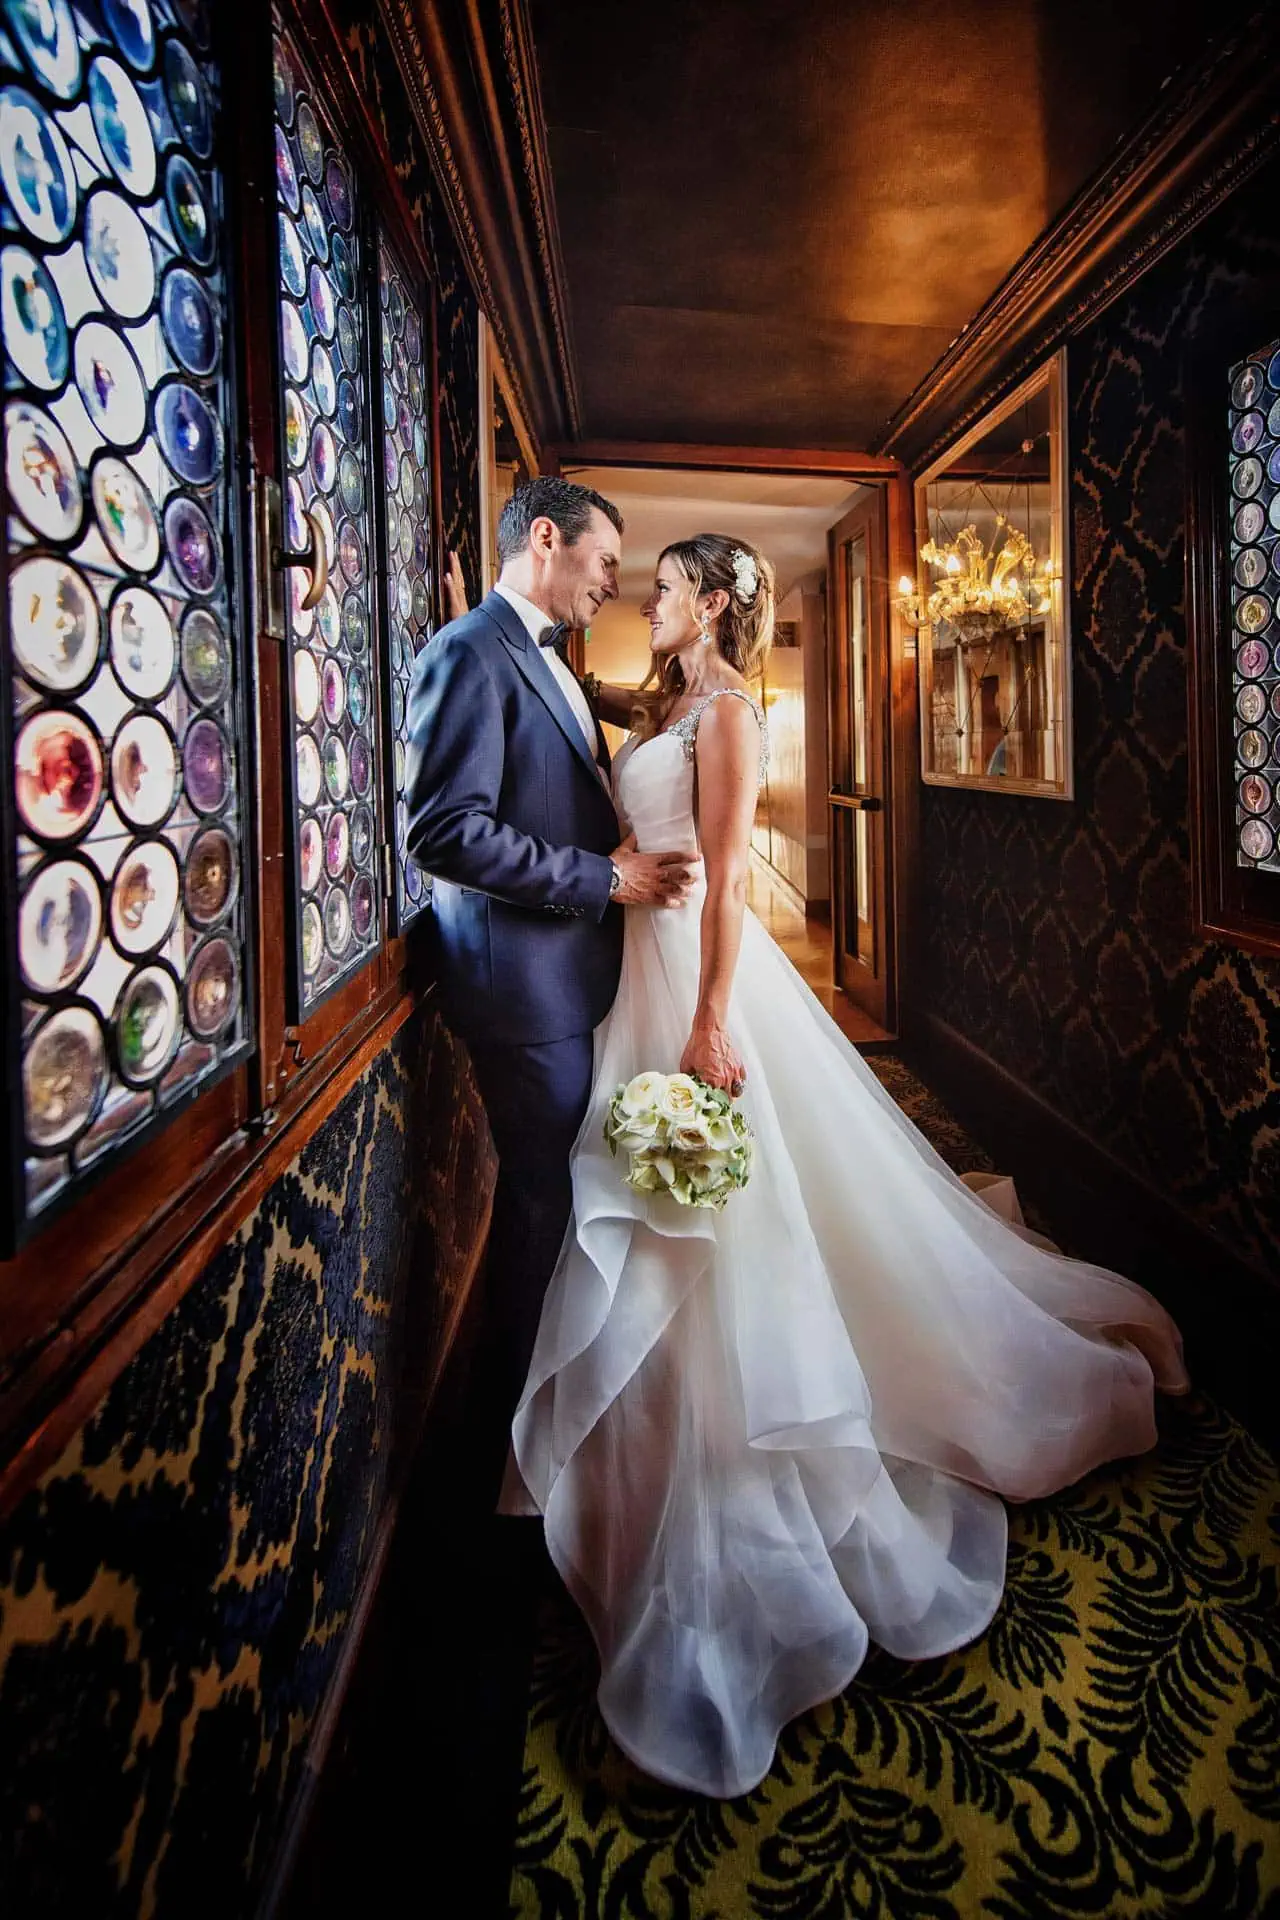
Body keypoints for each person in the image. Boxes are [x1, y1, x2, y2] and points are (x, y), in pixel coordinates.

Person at [501, 531, 1189, 1799]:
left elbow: (716, 890)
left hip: (695, 983)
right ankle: (654, 1461)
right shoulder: (667, 699)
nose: (646, 604)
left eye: (660, 588)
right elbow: (591, 711)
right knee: (666, 1226)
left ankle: (745, 1494)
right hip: (631, 979)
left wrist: (709, 1021)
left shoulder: (730, 719)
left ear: (710, 600)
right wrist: (507, 620)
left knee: (730, 1225)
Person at [403, 478, 701, 1513]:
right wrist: (604, 878)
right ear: (545, 539)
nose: (613, 582)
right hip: (523, 992)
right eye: (606, 561)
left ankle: (558, 1428)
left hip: (573, 981)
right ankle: (517, 1463)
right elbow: (443, 831)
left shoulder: (538, 659)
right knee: (546, 1209)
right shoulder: (467, 652)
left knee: (568, 1203)